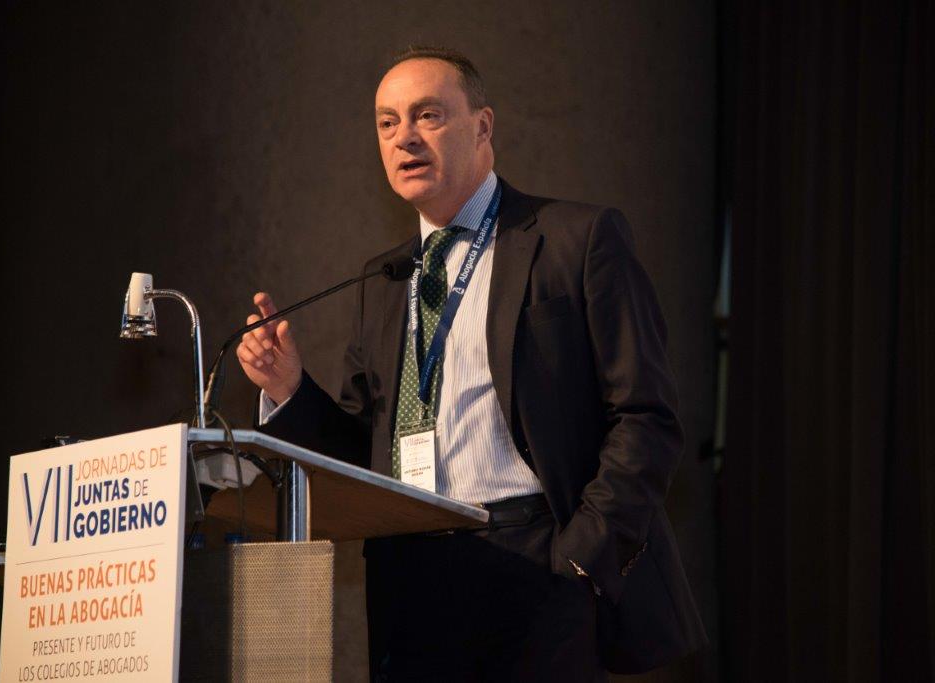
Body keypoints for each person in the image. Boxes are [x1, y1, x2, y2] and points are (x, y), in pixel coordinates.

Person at [237, 46, 706, 682]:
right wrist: (289, 388)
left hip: (535, 564)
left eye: (427, 115)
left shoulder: (574, 241)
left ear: (482, 127)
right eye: (387, 122)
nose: (404, 137)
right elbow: (362, 457)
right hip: (409, 581)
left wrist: (581, 557)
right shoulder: (384, 278)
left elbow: (646, 417)